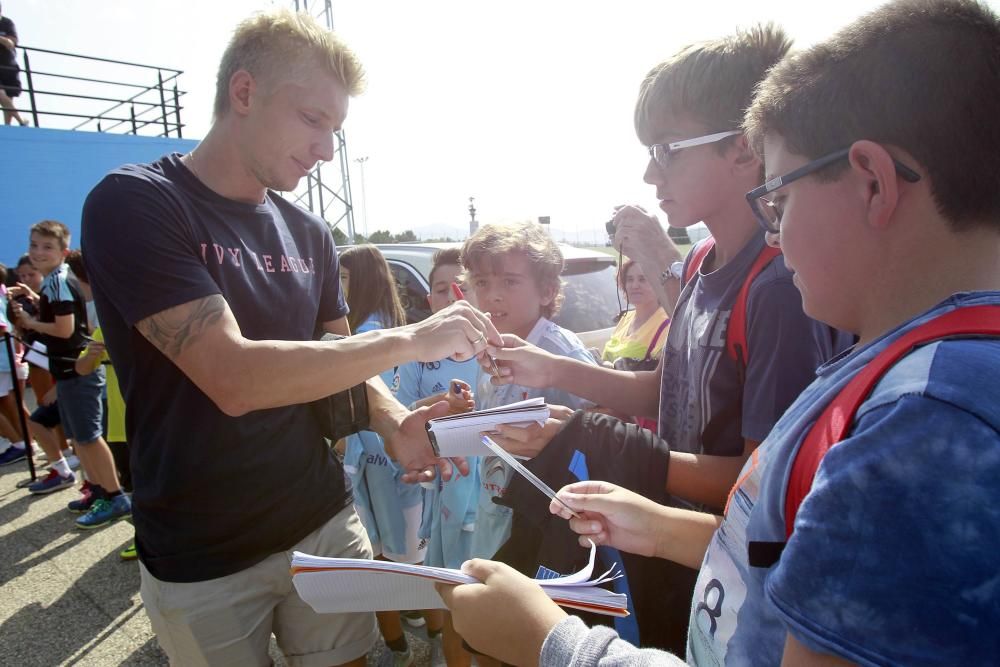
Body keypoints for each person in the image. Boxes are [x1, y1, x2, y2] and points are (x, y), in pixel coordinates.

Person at [439, 1, 1000, 665]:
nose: (774, 226)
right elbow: (787, 544)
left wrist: (555, 644)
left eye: (781, 197)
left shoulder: (924, 426)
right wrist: (665, 527)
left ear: (873, 183)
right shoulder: (900, 370)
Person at [81, 9, 500, 666]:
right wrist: (412, 339)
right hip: (203, 551)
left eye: (335, 129)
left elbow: (341, 367)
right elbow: (235, 378)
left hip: (322, 521)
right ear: (243, 93)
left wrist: (395, 423)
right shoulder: (136, 202)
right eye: (312, 119)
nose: (326, 149)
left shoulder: (307, 231)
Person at [479, 25, 851, 652]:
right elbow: (669, 390)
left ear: (743, 148)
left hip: (725, 565)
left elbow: (763, 484)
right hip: (671, 542)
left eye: (669, 148)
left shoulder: (779, 289)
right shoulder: (705, 261)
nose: (651, 172)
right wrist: (554, 371)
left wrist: (591, 438)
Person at [460, 222, 596, 561]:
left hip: (544, 525)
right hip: (495, 510)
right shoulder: (490, 345)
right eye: (481, 282)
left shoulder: (560, 352)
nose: (492, 294)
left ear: (547, 291)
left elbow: (604, 428)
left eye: (509, 281)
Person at [392, 247, 480, 667]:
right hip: (443, 494)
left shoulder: (497, 352)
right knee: (452, 599)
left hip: (491, 498)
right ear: (429, 301)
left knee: (492, 602)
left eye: (460, 287)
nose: (451, 297)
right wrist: (442, 403)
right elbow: (399, 418)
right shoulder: (415, 354)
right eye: (441, 289)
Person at [11, 222, 129, 533]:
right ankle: (97, 490)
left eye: (47, 247)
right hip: (68, 370)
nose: (38, 252)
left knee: (89, 438)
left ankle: (114, 496)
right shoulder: (55, 281)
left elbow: (64, 330)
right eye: (34, 245)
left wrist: (29, 321)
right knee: (80, 438)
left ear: (63, 251)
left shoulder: (58, 282)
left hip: (77, 370)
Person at [340, 244, 425, 667]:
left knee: (377, 555)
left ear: (361, 282)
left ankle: (397, 647)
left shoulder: (361, 335)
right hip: (402, 458)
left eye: (343, 278)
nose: (337, 287)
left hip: (374, 459)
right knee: (419, 552)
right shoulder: (395, 324)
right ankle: (427, 631)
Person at [601, 259, 668, 368]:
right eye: (629, 279)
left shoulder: (666, 325)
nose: (635, 285)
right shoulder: (625, 317)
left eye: (643, 279)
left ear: (659, 284)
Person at [0, 2, 26, 126]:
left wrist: (4, 40)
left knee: (8, 100)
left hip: (8, 65)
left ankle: (8, 127)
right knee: (1, 95)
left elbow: (11, 42)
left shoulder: (7, 23)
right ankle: (21, 120)